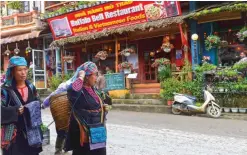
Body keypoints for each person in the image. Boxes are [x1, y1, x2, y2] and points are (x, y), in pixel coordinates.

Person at [64, 61, 110, 155]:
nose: (97, 78)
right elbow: (72, 91)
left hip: (98, 133)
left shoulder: (94, 90)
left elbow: (95, 107)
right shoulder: (79, 92)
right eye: (95, 74)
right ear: (87, 76)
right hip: (84, 135)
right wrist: (80, 77)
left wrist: (103, 108)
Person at [1, 56, 43, 155]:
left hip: (32, 134)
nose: (23, 73)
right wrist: (15, 111)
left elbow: (38, 102)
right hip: (14, 136)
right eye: (19, 70)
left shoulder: (31, 87)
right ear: (12, 72)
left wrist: (33, 107)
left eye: (25, 69)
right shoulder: (5, 90)